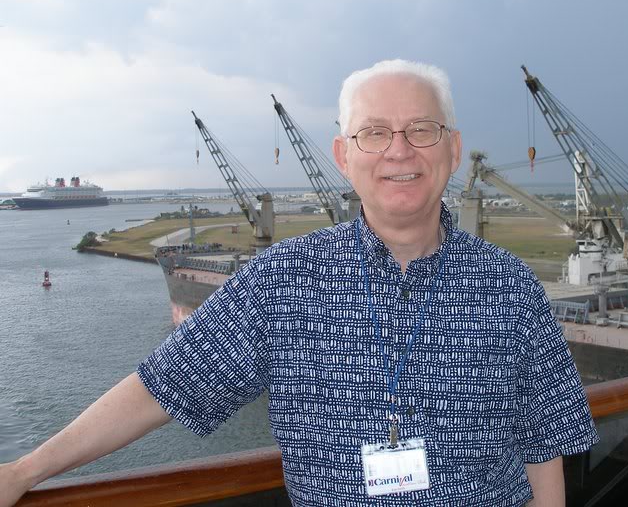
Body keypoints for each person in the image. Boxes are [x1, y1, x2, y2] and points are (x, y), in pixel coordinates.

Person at [0, 59, 597, 506]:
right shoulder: (284, 281)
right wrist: (24, 471)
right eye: (374, 133)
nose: (399, 150)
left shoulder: (511, 287)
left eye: (422, 128)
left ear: (454, 148)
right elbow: (162, 388)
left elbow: (544, 445)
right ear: (343, 154)